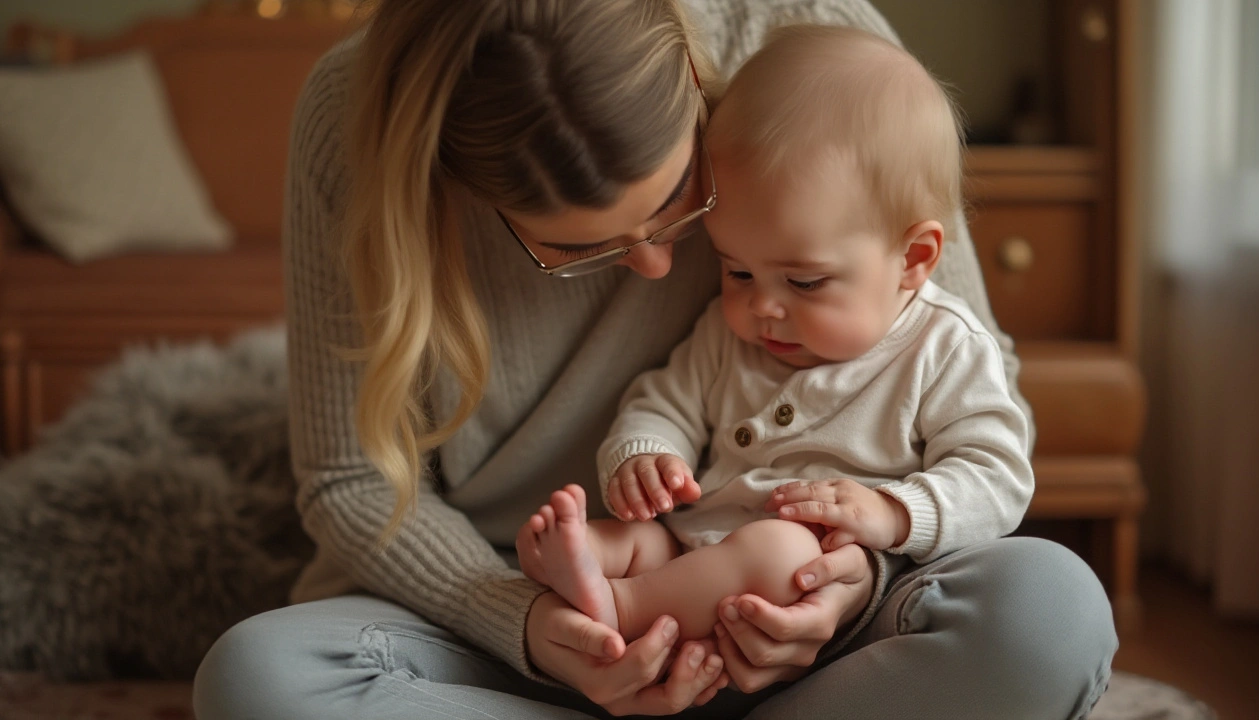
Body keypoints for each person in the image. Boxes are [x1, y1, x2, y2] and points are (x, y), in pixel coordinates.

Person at [192, 1, 1118, 718]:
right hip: (512, 638)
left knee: (1050, 613)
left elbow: (974, 398)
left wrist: (851, 579)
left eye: (683, 196)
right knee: (257, 680)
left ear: (689, 67)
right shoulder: (354, 123)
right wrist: (528, 625)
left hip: (809, 639)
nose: (658, 265)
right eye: (573, 249)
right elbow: (353, 485)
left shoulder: (812, 46)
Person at [515, 24, 1034, 662]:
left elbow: (998, 477)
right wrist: (645, 455)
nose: (762, 305)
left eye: (805, 281)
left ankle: (622, 611)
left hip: (807, 592)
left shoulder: (943, 349)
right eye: (736, 270)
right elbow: (664, 399)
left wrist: (893, 513)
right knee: (633, 538)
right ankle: (581, 567)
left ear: (914, 258)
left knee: (781, 553)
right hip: (691, 549)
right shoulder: (726, 334)